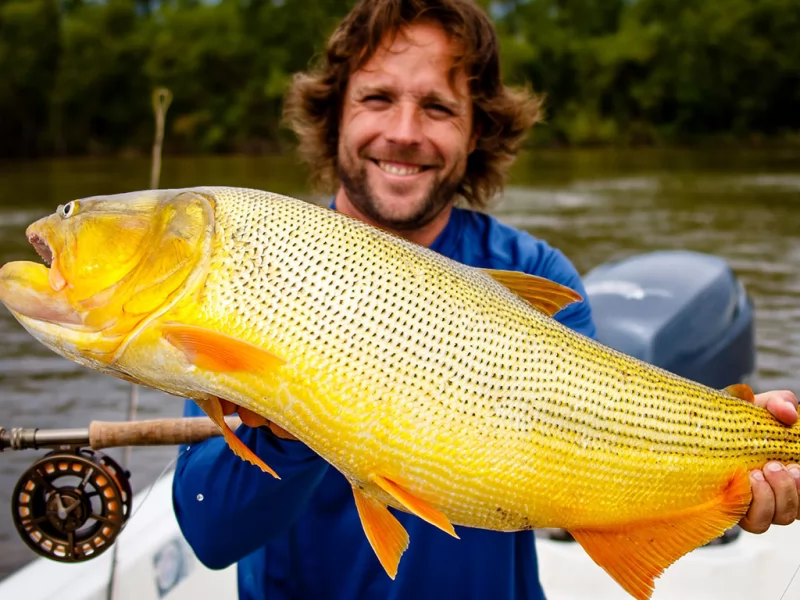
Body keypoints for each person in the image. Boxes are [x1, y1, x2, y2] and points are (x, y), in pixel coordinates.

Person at [172, 1, 800, 598]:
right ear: (335, 114)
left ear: (477, 131)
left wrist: (738, 452)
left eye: (438, 108)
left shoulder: (535, 274)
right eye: (377, 98)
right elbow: (210, 532)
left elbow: (602, 458)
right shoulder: (255, 263)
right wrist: (288, 424)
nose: (404, 132)